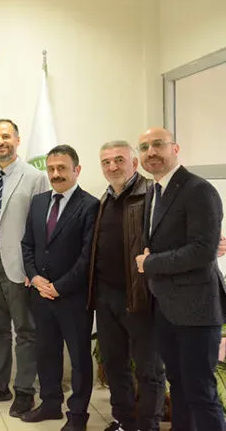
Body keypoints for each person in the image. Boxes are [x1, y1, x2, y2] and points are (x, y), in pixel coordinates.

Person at [135, 127, 226, 430]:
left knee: (201, 393)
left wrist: (150, 263)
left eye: (158, 144)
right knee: (178, 386)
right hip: (165, 306)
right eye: (144, 147)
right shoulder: (154, 190)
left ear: (175, 149)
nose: (151, 152)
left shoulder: (198, 189)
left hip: (196, 309)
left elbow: (203, 250)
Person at [0, 119, 48, 417]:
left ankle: (25, 391)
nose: (0, 142)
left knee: (26, 330)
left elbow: (40, 227)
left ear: (17, 139)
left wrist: (34, 269)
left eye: (5, 136)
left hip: (20, 267)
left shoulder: (35, 177)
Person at [87, 140, 165, 431]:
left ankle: (148, 426)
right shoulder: (104, 199)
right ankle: (124, 422)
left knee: (149, 369)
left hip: (142, 298)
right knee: (115, 365)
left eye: (119, 160)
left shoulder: (153, 194)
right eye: (106, 162)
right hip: (106, 298)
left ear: (134, 163)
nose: (112, 166)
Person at [20, 145, 99, 431]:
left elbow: (88, 257)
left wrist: (60, 287)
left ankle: (77, 415)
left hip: (73, 298)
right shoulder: (38, 201)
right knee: (47, 353)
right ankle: (50, 404)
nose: (55, 174)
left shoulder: (90, 205)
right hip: (41, 295)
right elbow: (28, 245)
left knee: (78, 358)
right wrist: (34, 277)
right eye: (51, 168)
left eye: (62, 168)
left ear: (77, 170)